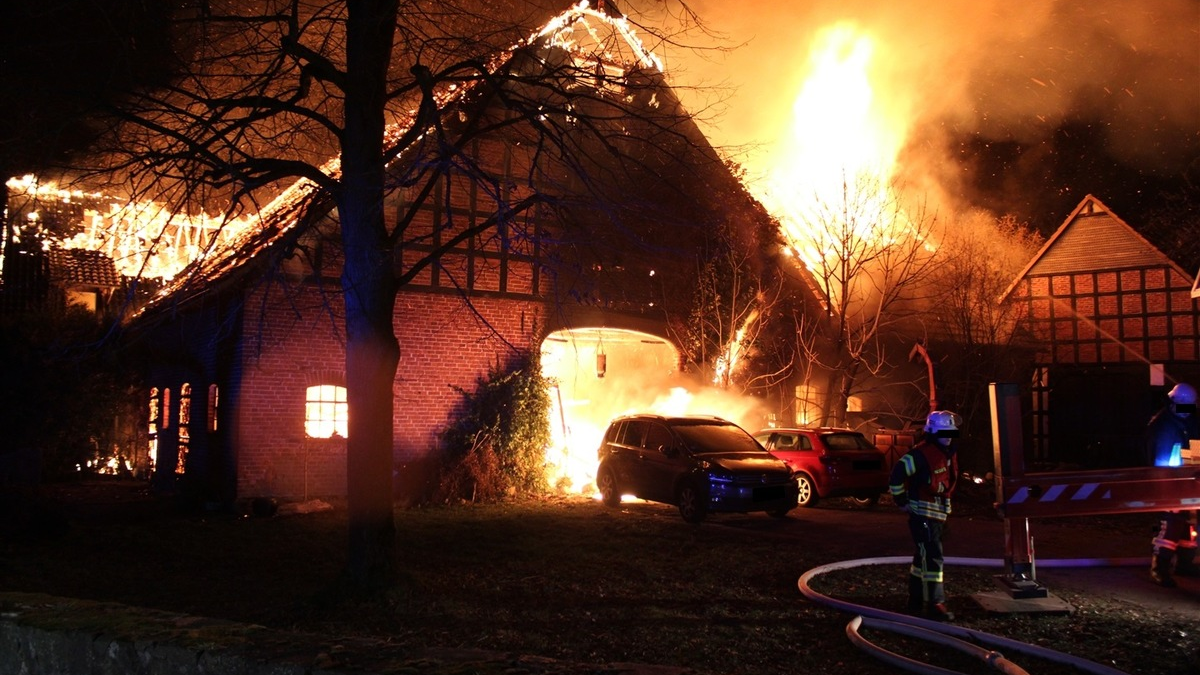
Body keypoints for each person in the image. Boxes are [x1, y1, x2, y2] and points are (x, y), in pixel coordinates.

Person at [889, 410, 961, 621]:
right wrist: (901, 501)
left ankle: (916, 599)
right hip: (922, 514)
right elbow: (896, 475)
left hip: (937, 515)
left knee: (922, 558)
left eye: (951, 432)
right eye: (944, 432)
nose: (949, 436)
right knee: (932, 557)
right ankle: (935, 603)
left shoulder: (947, 453)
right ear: (932, 433)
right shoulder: (920, 454)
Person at [1145, 382, 1199, 588]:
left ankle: (1185, 564)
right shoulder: (1163, 425)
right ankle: (1159, 568)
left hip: (1188, 481)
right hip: (1169, 483)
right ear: (1175, 402)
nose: (1188, 410)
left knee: (1188, 523)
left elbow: (1194, 448)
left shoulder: (1188, 421)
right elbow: (1161, 460)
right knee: (1171, 524)